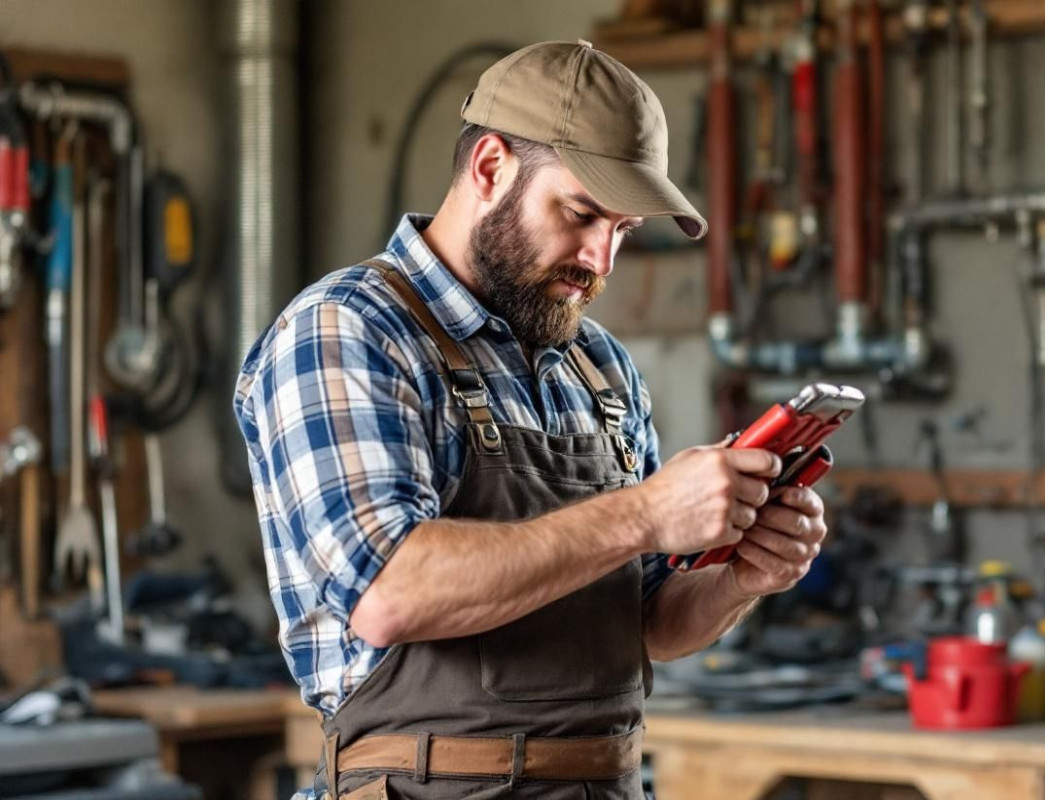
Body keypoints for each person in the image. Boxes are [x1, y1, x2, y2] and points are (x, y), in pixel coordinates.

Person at [233, 40, 827, 800]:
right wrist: (646, 512)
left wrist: (741, 576)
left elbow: (645, 623)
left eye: (623, 230)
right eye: (582, 214)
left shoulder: (599, 366)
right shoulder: (347, 331)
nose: (600, 258)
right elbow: (389, 594)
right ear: (489, 169)